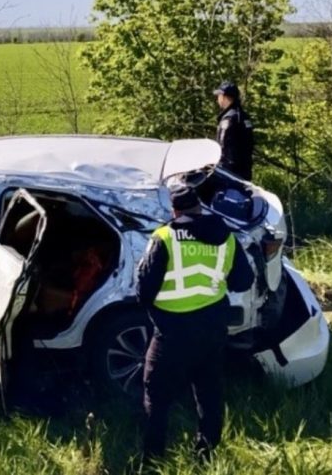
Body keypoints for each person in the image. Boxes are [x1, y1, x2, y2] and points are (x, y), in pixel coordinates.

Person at [137, 181, 254, 462]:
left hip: (171, 333)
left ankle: (152, 460)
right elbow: (244, 281)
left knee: (156, 395)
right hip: (212, 330)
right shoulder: (226, 238)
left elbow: (144, 290)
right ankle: (206, 456)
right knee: (209, 394)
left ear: (174, 210)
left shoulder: (164, 237)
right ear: (199, 207)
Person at [214, 81, 254, 181]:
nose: (217, 99)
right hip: (245, 172)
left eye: (218, 95)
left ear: (223, 97)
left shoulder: (229, 119)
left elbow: (223, 148)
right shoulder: (244, 117)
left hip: (230, 174)